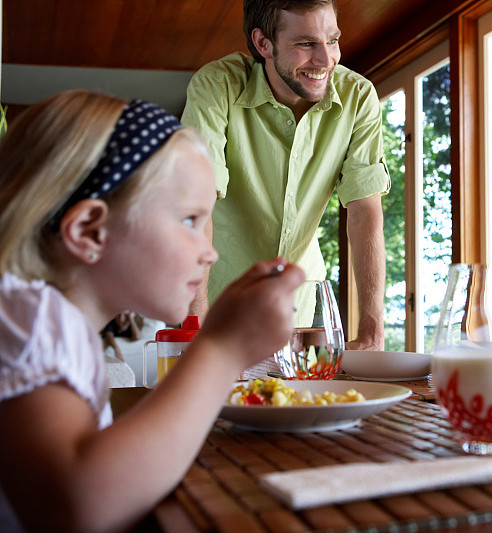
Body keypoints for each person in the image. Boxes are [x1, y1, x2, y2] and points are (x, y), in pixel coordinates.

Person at [0, 90, 305, 532]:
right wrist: (222, 348)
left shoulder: (50, 322)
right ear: (90, 231)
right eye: (189, 221)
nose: (210, 253)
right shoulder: (32, 319)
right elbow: (76, 507)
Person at [182, 0, 390, 351]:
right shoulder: (217, 87)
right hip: (214, 304)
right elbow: (195, 204)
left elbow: (364, 210)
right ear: (263, 44)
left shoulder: (358, 97)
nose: (326, 60)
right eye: (306, 44)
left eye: (333, 40)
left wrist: (372, 329)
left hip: (303, 312)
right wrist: (194, 325)